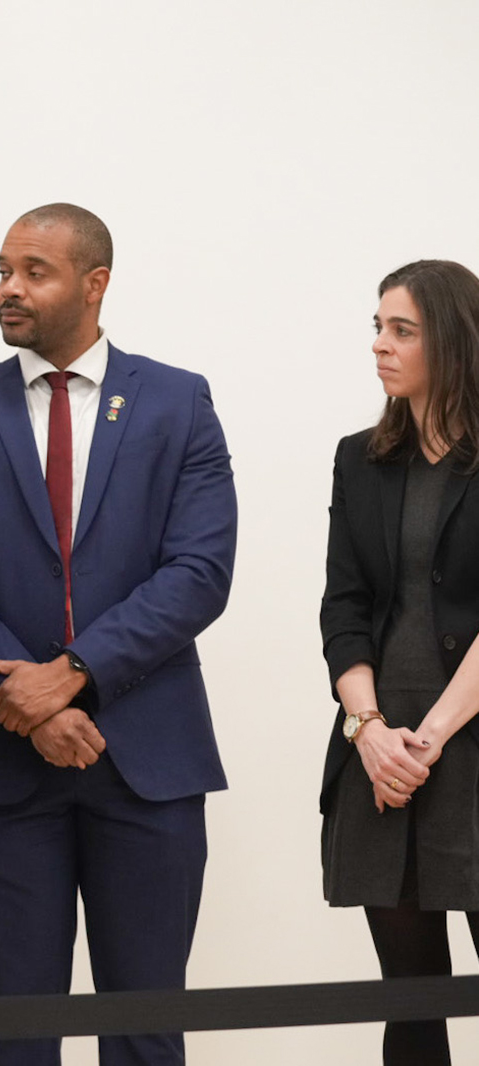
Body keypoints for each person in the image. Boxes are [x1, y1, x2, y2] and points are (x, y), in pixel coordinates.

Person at [0, 204, 236, 1066]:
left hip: (147, 765)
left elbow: (199, 573)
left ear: (95, 285)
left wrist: (74, 674)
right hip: (0, 764)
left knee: (146, 1037)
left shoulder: (177, 401)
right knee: (16, 1041)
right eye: (3, 270)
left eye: (34, 272)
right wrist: (31, 704)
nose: (8, 288)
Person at [319, 259, 479, 1066]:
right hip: (381, 755)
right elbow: (342, 608)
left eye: (402, 330)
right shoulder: (361, 459)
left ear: (451, 340)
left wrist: (431, 737)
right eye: (378, 327)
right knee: (410, 999)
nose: (380, 344)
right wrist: (371, 731)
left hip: (463, 739)